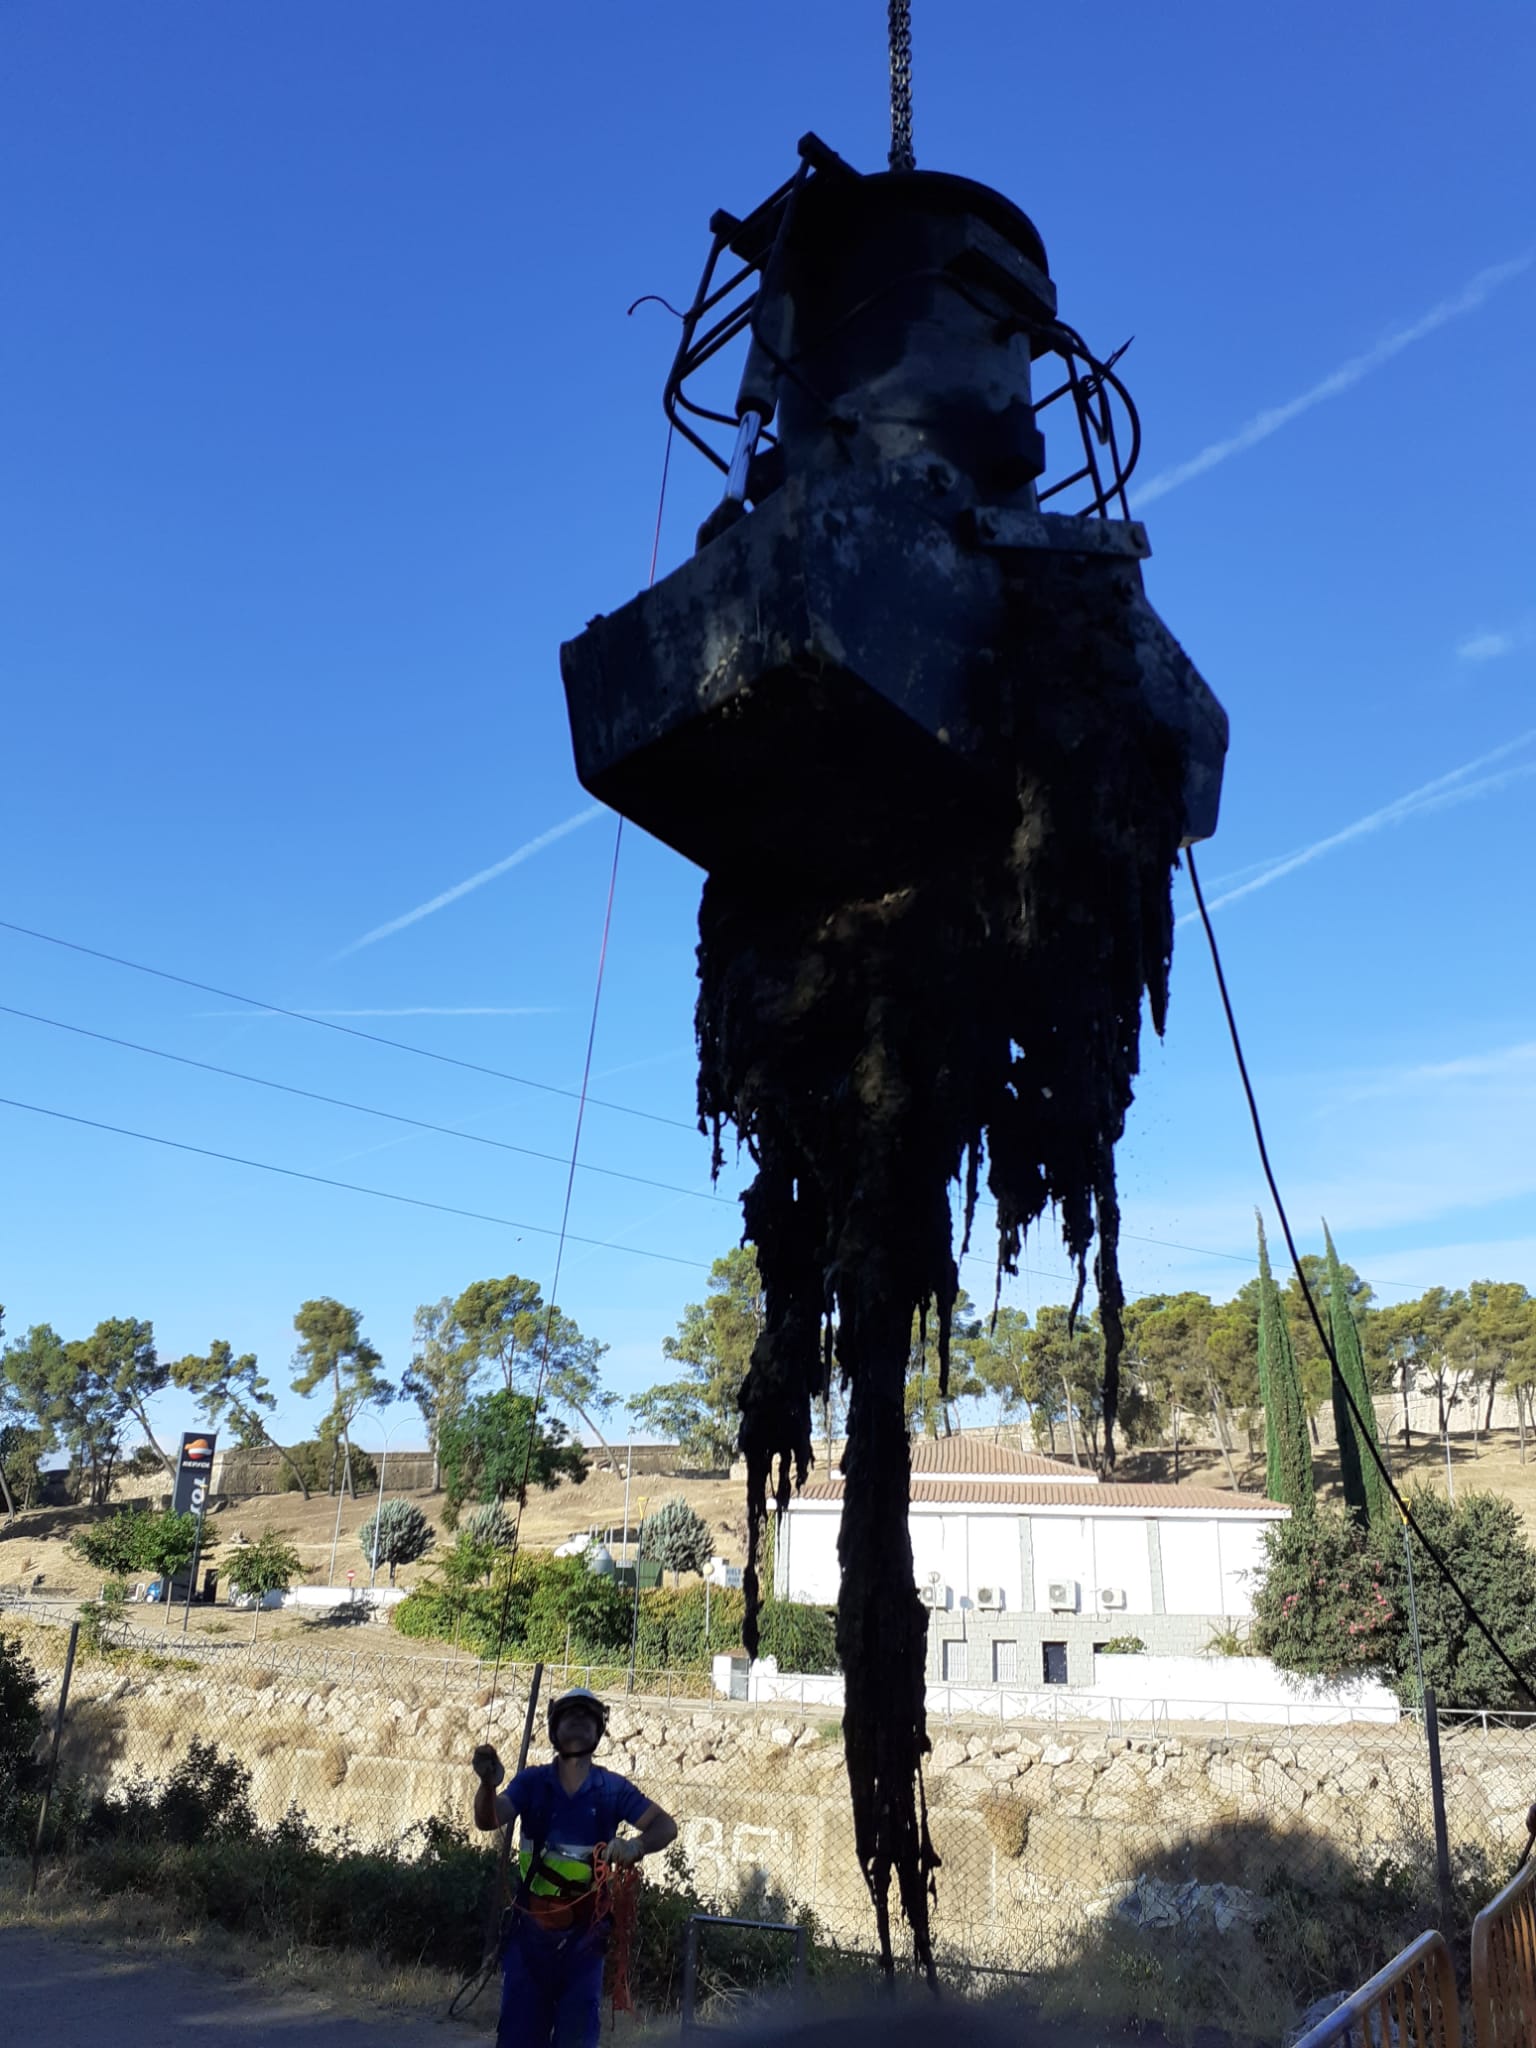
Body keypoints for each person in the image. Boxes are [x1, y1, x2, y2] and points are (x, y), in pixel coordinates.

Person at [472, 1686, 677, 2048]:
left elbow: (666, 1826)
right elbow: (488, 1820)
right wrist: (488, 1785)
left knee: (577, 2038)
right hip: (530, 1935)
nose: (579, 1721)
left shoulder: (611, 1789)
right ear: (554, 1728)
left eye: (587, 1717)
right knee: (519, 2037)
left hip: (585, 1941)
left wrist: (636, 1845)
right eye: (571, 1715)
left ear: (599, 1731)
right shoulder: (532, 1783)